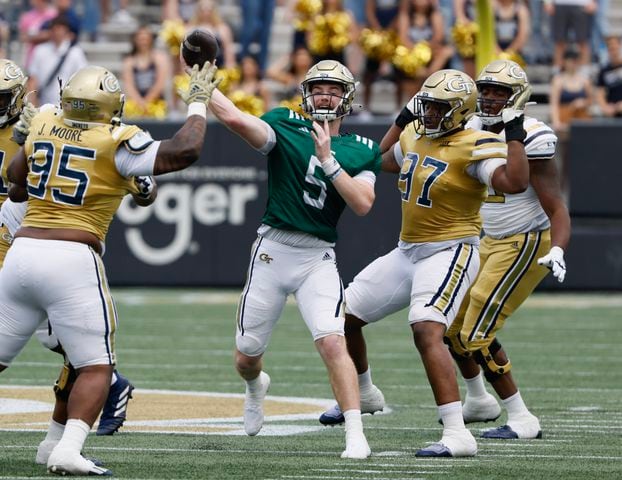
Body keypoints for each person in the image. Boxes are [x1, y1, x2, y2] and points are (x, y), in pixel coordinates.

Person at [0, 61, 220, 476]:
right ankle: (68, 448)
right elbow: (184, 151)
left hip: (21, 253)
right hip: (71, 257)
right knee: (97, 366)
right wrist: (197, 103)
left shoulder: (45, 118)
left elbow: (15, 182)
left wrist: (33, 143)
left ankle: (53, 444)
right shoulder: (119, 138)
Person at [319, 68, 532, 457]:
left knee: (426, 329)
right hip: (408, 250)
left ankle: (457, 435)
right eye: (426, 105)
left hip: (451, 250)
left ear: (459, 111)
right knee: (343, 316)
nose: (428, 113)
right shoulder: (414, 132)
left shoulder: (475, 144)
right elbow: (380, 159)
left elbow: (513, 182)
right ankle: (365, 394)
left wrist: (514, 131)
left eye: (437, 107)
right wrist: (402, 118)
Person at [207, 59, 381, 459]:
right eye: (319, 87)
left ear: (347, 98)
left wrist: (329, 160)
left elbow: (363, 204)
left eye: (334, 89)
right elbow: (235, 119)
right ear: (306, 92)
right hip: (272, 251)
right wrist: (202, 82)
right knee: (246, 356)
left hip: (317, 257)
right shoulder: (286, 123)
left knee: (333, 342)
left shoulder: (360, 149)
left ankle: (355, 432)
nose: (326, 94)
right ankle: (255, 387)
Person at [443, 59, 571, 440]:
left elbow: (556, 206)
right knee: (450, 328)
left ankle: (522, 419)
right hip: (485, 239)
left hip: (526, 240)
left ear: (518, 96)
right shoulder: (469, 126)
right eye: (487, 90)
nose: (491, 98)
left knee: (475, 333)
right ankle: (479, 400)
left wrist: (559, 248)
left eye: (500, 91)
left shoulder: (534, 135)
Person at [26, 14, 88, 107]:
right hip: (43, 105)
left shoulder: (76, 52)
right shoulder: (40, 50)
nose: (56, 32)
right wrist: (32, 103)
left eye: (60, 29)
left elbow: (82, 79)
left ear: (66, 31)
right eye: (54, 29)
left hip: (67, 106)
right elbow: (33, 79)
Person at [121, 25, 171, 118]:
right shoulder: (129, 61)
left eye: (146, 38)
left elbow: (160, 83)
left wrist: (147, 102)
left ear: (151, 39)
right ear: (135, 40)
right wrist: (140, 103)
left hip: (156, 104)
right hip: (136, 105)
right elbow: (129, 85)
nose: (143, 41)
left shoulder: (159, 58)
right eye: (140, 38)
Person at [595, 35, 622, 118]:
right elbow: (600, 92)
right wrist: (605, 107)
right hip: (612, 112)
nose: (613, 50)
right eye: (610, 47)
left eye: (615, 46)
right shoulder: (604, 70)